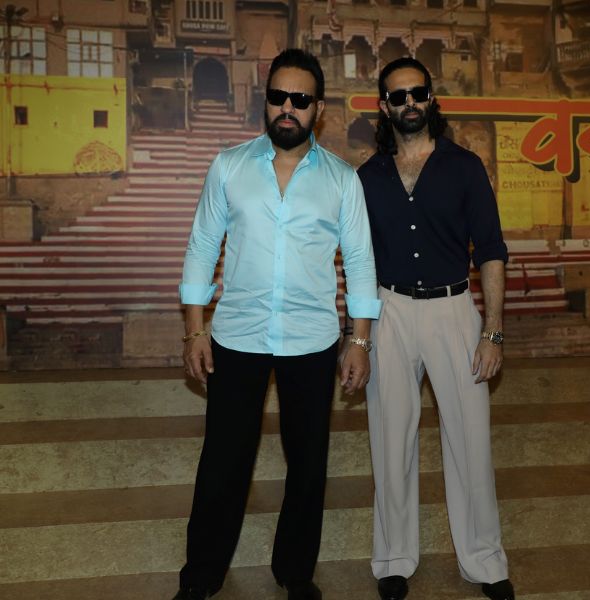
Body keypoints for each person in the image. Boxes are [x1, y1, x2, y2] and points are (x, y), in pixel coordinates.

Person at [174, 49, 381, 600]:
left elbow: (361, 263)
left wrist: (360, 340)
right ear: (265, 101)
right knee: (223, 463)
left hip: (312, 341)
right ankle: (200, 578)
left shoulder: (342, 180)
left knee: (308, 465)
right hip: (236, 337)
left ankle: (295, 573)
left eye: (300, 99)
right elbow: (201, 248)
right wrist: (194, 329)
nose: (288, 108)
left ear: (319, 109)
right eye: (278, 97)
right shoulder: (229, 166)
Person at [354, 57, 514, 600]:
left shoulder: (465, 168)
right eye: (397, 96)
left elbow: (490, 251)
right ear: (385, 106)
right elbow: (358, 261)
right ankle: (393, 561)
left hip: (454, 311)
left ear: (431, 98)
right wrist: (358, 336)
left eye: (417, 93)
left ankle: (485, 562)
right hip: (389, 311)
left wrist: (492, 331)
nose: (409, 103)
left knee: (471, 442)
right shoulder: (367, 178)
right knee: (389, 439)